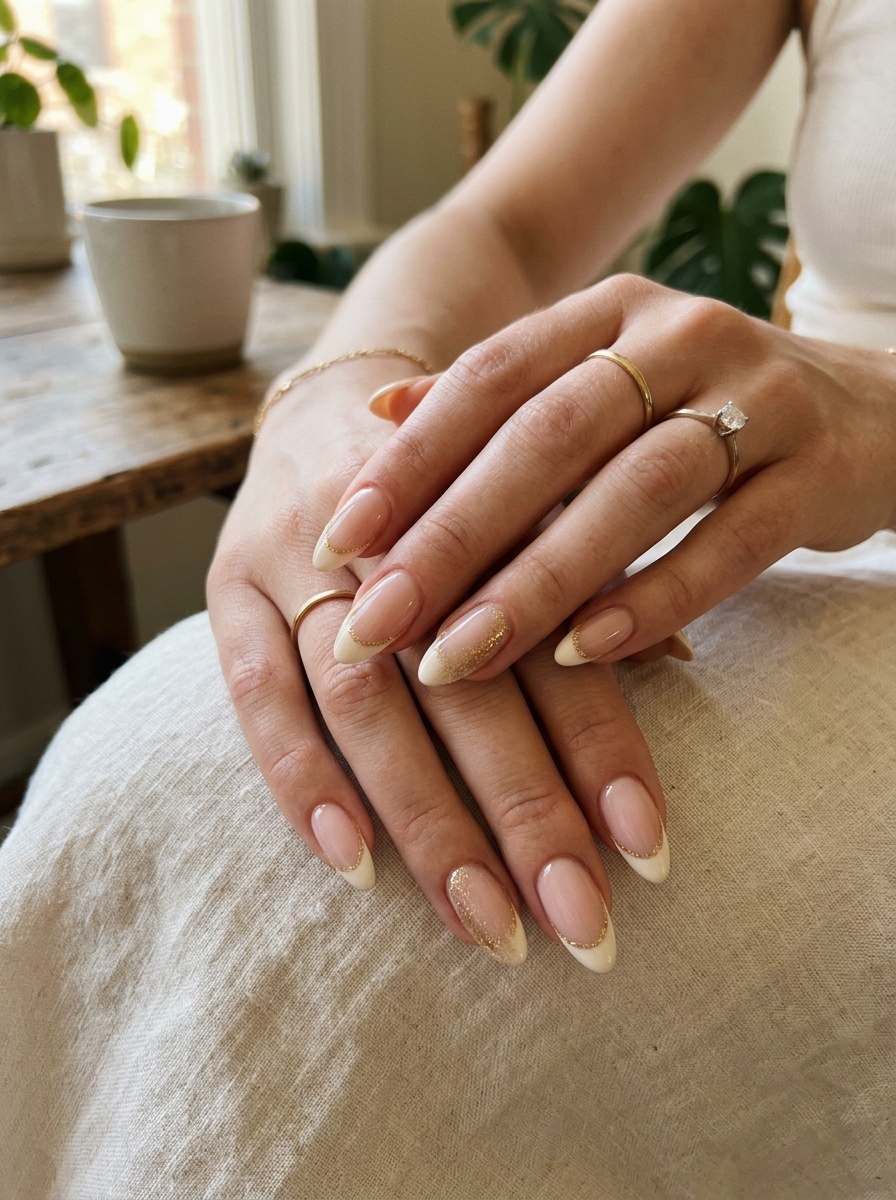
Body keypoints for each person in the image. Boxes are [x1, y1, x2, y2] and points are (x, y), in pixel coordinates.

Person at [1, 0, 894, 1194]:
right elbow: (500, 227)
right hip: (755, 505)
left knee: (417, 992)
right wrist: (339, 392)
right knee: (162, 768)